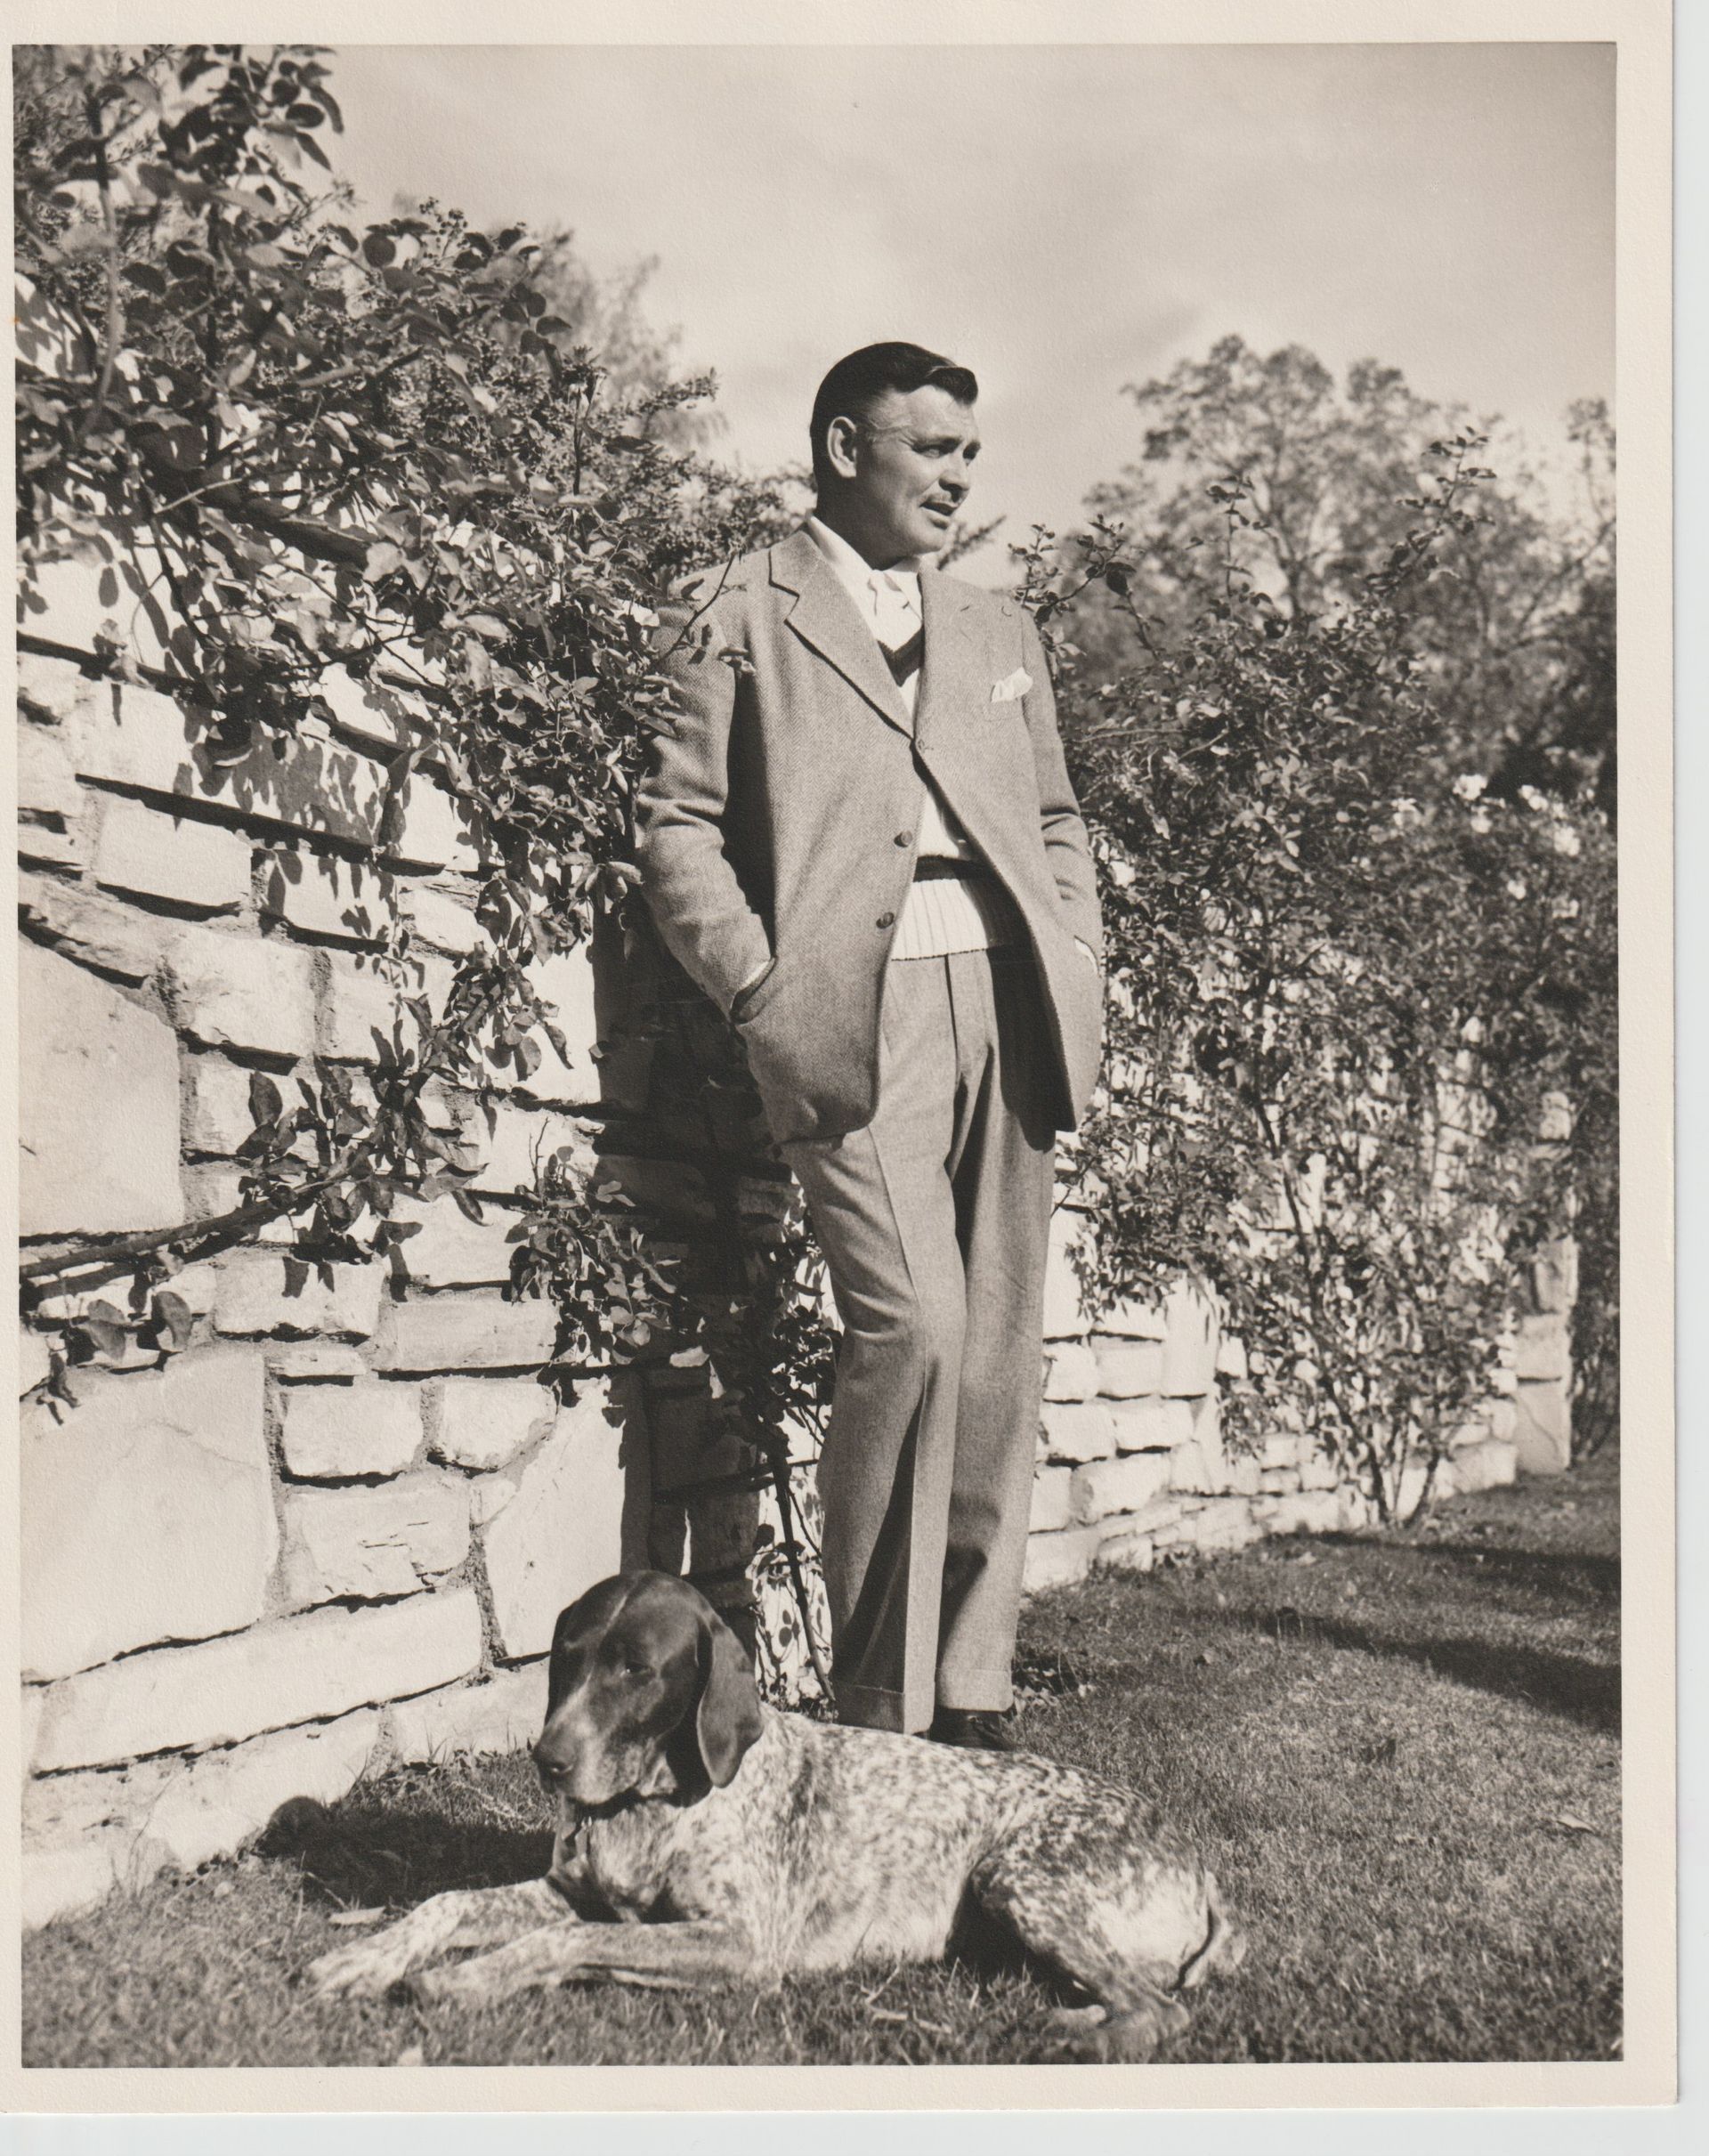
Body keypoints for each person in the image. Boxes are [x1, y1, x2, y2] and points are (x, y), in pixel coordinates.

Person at [636, 342, 1104, 1748]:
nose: (961, 478)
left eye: (970, 453)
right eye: (931, 450)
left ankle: (968, 1693)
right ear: (846, 448)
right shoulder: (741, 607)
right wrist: (761, 992)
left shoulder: (998, 628)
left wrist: (1074, 948)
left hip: (1011, 1008)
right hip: (854, 1017)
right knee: (915, 1323)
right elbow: (675, 827)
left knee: (999, 1351)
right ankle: (874, 1701)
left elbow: (1060, 816)